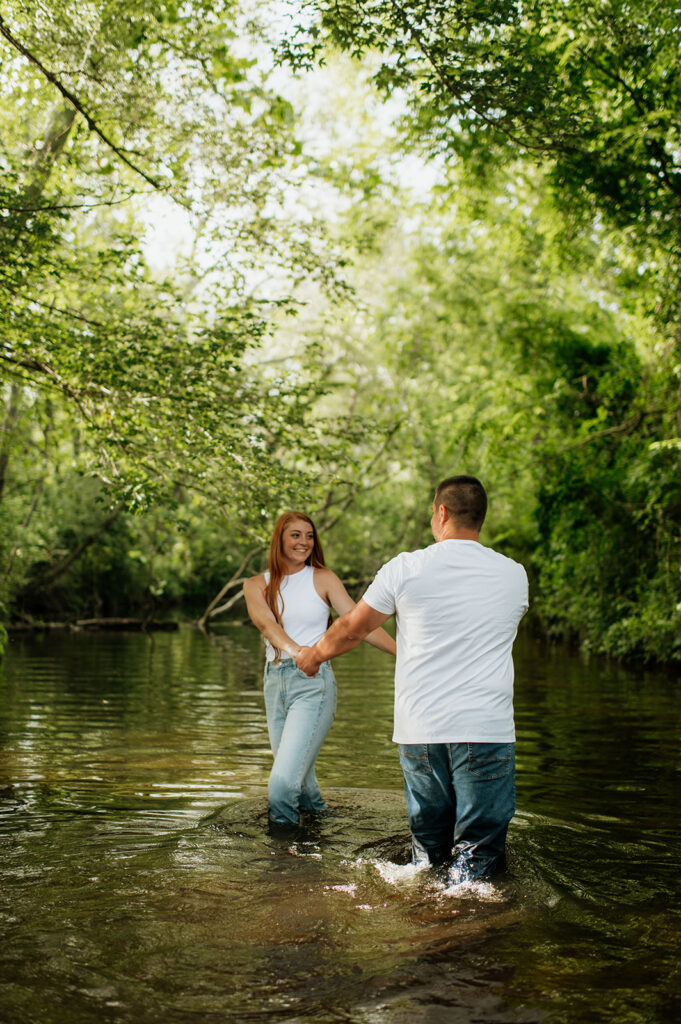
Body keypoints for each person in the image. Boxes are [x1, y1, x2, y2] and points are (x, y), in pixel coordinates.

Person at [296, 476, 529, 881]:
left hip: (421, 730)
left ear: (441, 513)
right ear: (480, 518)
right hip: (486, 729)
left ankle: (427, 919)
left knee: (429, 854)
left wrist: (313, 656)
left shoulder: (406, 568)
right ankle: (472, 923)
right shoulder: (514, 575)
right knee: (480, 856)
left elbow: (353, 627)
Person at [243, 511, 396, 826]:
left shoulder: (323, 578)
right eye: (295, 535)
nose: (304, 542)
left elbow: (360, 623)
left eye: (309, 536)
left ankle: (281, 862)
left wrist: (404, 653)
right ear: (279, 539)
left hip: (312, 683)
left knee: (283, 786)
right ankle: (322, 838)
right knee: (304, 786)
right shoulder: (255, 585)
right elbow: (265, 624)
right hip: (275, 683)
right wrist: (298, 650)